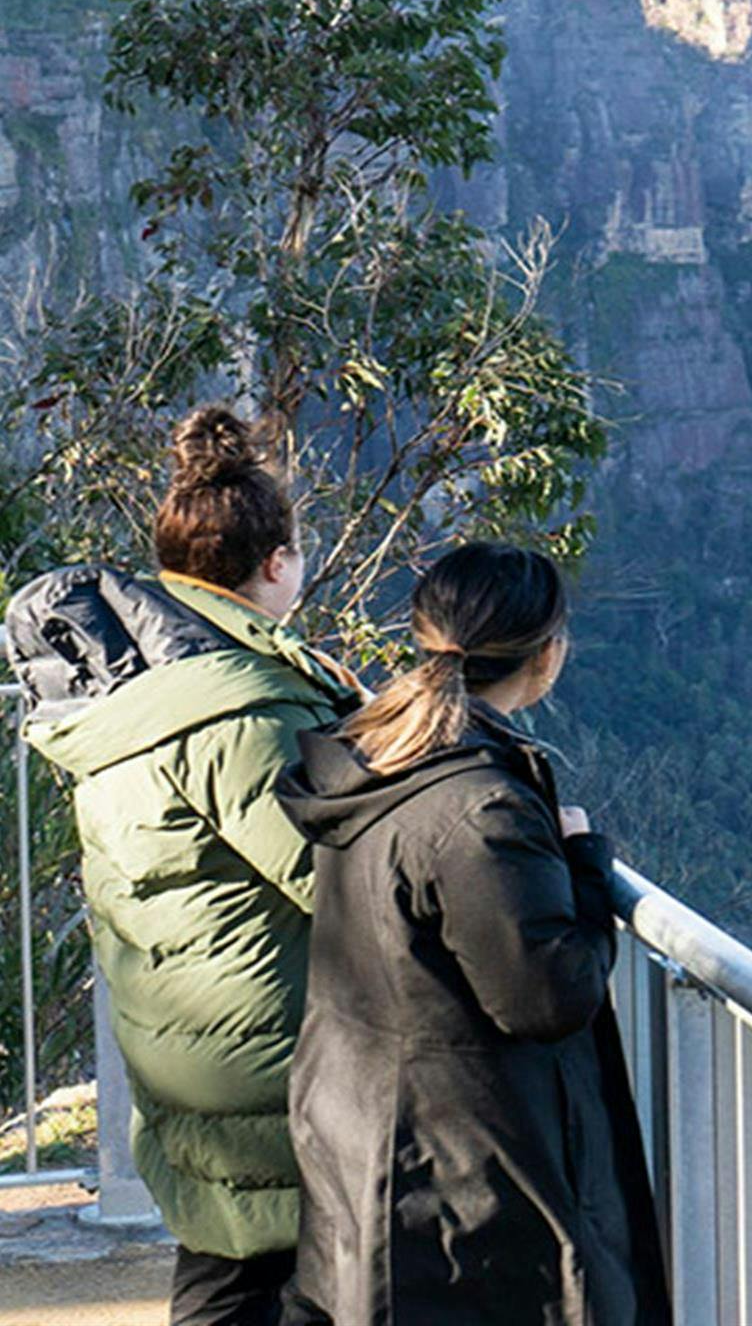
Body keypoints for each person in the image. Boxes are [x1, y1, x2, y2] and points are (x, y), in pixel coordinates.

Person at [3, 406, 359, 1326]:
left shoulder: (125, 695)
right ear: (277, 563)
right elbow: (331, 877)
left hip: (176, 1037)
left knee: (223, 1269)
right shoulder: (237, 710)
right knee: (281, 1281)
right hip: (266, 1051)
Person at [276, 542, 667, 1326]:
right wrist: (587, 870)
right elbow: (545, 996)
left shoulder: (377, 754)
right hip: (459, 1167)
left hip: (368, 1122)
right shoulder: (478, 804)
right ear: (547, 654)